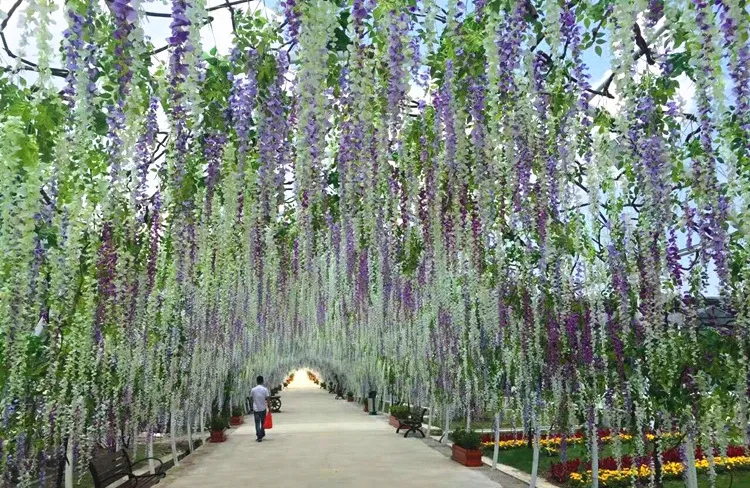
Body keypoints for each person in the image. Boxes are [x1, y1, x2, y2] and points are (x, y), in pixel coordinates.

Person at [250, 375, 271, 442]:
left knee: (257, 423)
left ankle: (259, 436)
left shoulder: (253, 390)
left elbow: (251, 399)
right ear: (262, 381)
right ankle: (261, 434)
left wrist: (251, 406)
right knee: (262, 422)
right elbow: (268, 399)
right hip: (263, 408)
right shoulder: (265, 389)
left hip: (256, 409)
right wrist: (269, 407)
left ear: (257, 381)